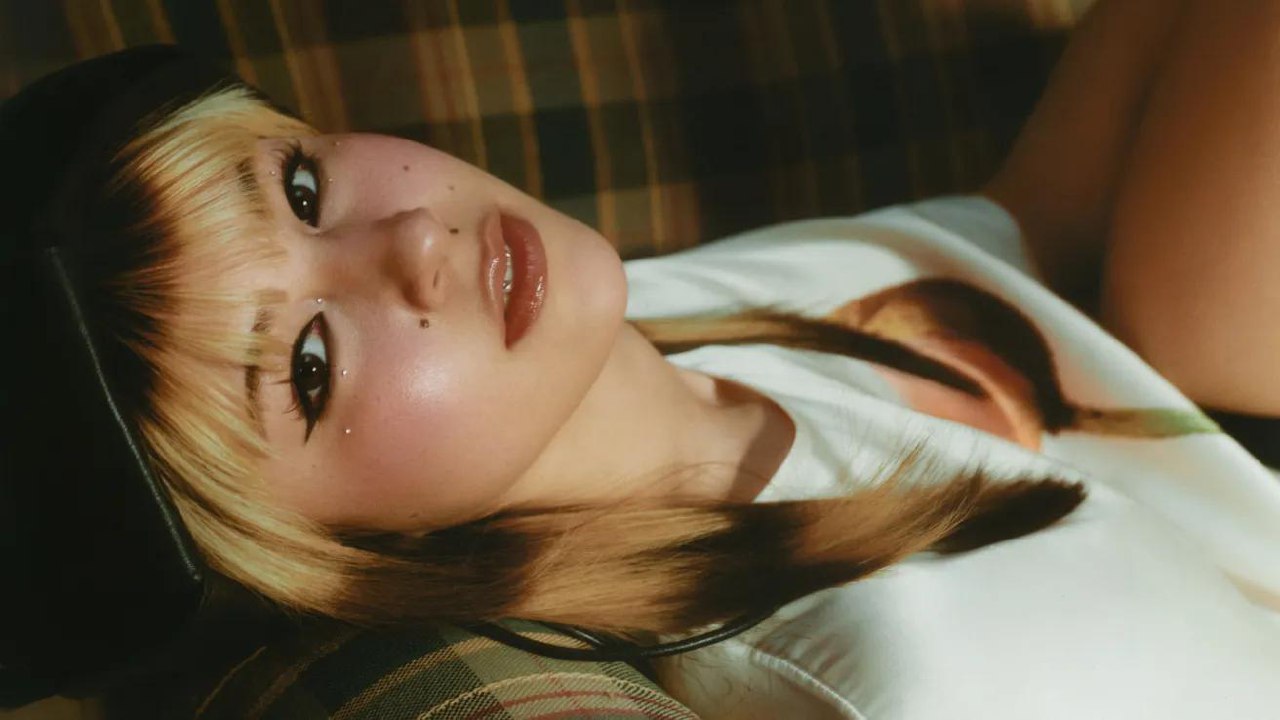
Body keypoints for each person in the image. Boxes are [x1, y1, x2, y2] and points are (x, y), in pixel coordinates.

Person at [3, 0, 1279, 717]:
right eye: (311, 365)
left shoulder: (602, 337)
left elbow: (1017, 247)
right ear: (315, 566)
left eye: (297, 187)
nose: (412, 245)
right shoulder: (914, 672)